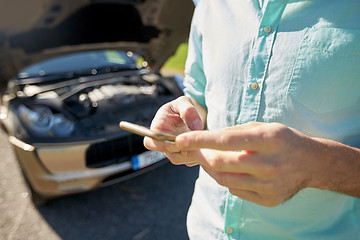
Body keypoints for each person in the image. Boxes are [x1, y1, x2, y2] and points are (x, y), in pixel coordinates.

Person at [144, 0, 360, 239]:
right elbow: (199, 95)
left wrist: (318, 167)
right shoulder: (210, 5)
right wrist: (186, 115)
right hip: (204, 229)